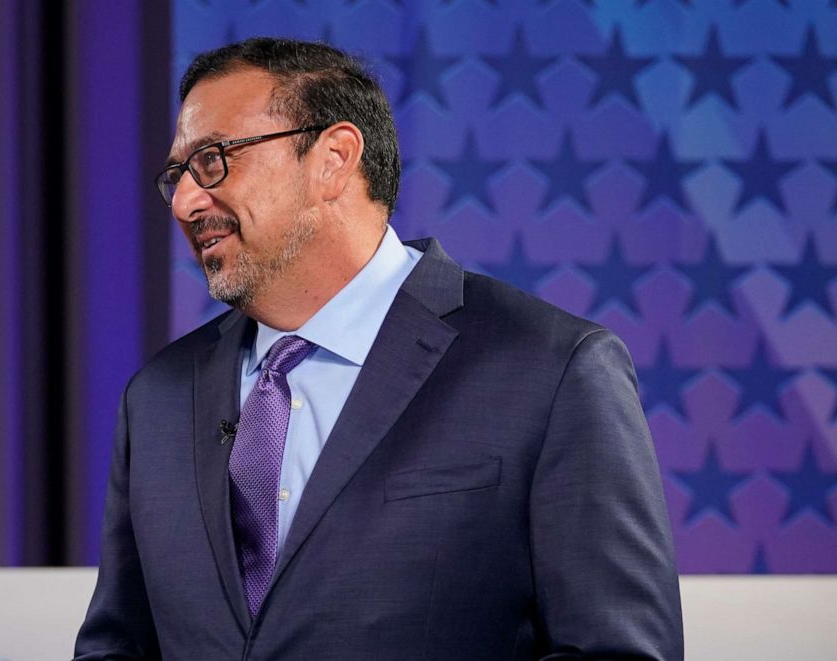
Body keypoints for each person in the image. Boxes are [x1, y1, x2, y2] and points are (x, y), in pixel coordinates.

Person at [74, 37, 683, 660]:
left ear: (334, 158)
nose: (184, 201)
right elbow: (118, 647)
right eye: (177, 175)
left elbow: (619, 651)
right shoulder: (157, 399)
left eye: (214, 159)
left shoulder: (552, 369)